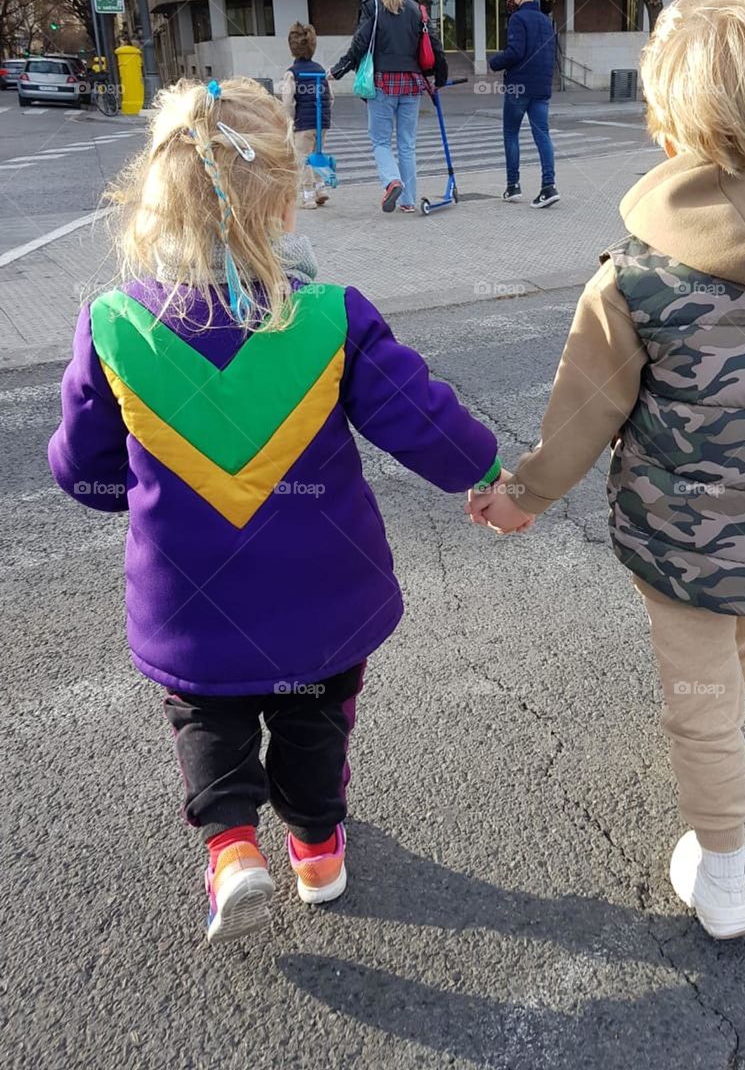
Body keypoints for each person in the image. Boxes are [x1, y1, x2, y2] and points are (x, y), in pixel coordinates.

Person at [468, 0, 745, 940]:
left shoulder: (636, 275)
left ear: (667, 120)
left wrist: (521, 496)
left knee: (695, 696)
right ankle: (730, 761)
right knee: (737, 629)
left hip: (678, 530)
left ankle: (725, 869)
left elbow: (583, 414)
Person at [48, 76, 502, 945]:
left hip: (189, 606)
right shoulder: (330, 319)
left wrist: (128, 486)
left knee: (205, 716)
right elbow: (421, 417)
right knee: (316, 716)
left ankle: (229, 848)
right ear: (285, 204)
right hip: (323, 602)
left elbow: (85, 468)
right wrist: (484, 473)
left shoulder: (112, 325)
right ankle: (317, 849)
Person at [330, 0, 447, 214]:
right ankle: (408, 200)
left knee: (381, 141)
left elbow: (359, 45)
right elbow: (435, 46)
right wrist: (440, 78)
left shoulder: (372, 7)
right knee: (407, 143)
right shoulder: (417, 8)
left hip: (382, 82)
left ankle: (392, 180)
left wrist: (338, 70)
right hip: (413, 83)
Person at [489, 0, 558, 209]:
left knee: (511, 134)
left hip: (518, 87)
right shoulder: (545, 20)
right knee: (543, 135)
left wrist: (494, 62)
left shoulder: (518, 18)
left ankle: (513, 186)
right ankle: (548, 187)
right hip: (541, 88)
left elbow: (515, 52)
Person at [279, 20, 332, 208]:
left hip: (304, 122)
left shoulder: (292, 73)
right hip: (323, 121)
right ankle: (321, 188)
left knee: (303, 158)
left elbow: (287, 102)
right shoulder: (320, 70)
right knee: (317, 153)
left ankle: (308, 196)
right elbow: (331, 97)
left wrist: (290, 120)